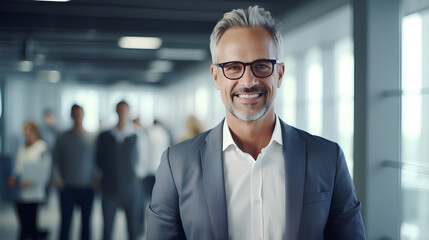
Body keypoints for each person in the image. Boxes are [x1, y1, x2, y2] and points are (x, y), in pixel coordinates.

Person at [147, 6, 366, 240]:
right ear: (216, 77)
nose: (248, 81)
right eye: (233, 67)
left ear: (279, 74)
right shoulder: (177, 164)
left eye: (261, 65)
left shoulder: (327, 158)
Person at [96, 101, 141, 240]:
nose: (122, 113)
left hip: (130, 190)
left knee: (133, 229)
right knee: (107, 230)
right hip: (109, 190)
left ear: (129, 113)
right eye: (120, 110)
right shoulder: (104, 136)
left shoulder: (136, 136)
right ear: (116, 111)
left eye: (125, 110)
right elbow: (98, 160)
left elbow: (141, 163)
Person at [53, 104, 97, 240]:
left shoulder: (92, 138)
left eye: (80, 114)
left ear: (83, 116)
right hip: (67, 186)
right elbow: (55, 161)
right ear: (71, 116)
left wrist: (96, 179)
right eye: (75, 114)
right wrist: (58, 179)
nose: (78, 117)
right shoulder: (62, 137)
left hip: (87, 187)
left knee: (86, 224)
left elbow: (97, 161)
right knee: (66, 223)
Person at [7, 121, 51, 240]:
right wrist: (13, 177)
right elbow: (18, 167)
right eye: (25, 132)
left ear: (35, 132)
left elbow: (45, 169)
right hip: (20, 191)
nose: (26, 134)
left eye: (28, 131)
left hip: (34, 192)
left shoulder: (41, 147)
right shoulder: (22, 147)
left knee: (31, 224)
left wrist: (31, 182)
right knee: (23, 225)